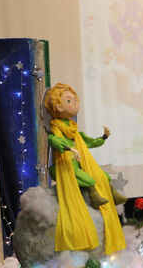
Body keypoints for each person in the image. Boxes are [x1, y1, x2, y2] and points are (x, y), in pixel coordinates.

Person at [44, 82, 126, 254]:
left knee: (104, 176)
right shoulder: (56, 129)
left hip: (76, 163)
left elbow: (91, 142)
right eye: (69, 100)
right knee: (90, 179)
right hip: (65, 166)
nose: (74, 103)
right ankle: (95, 197)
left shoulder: (74, 130)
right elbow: (54, 141)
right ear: (58, 106)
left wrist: (103, 137)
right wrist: (68, 149)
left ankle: (112, 194)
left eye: (75, 100)